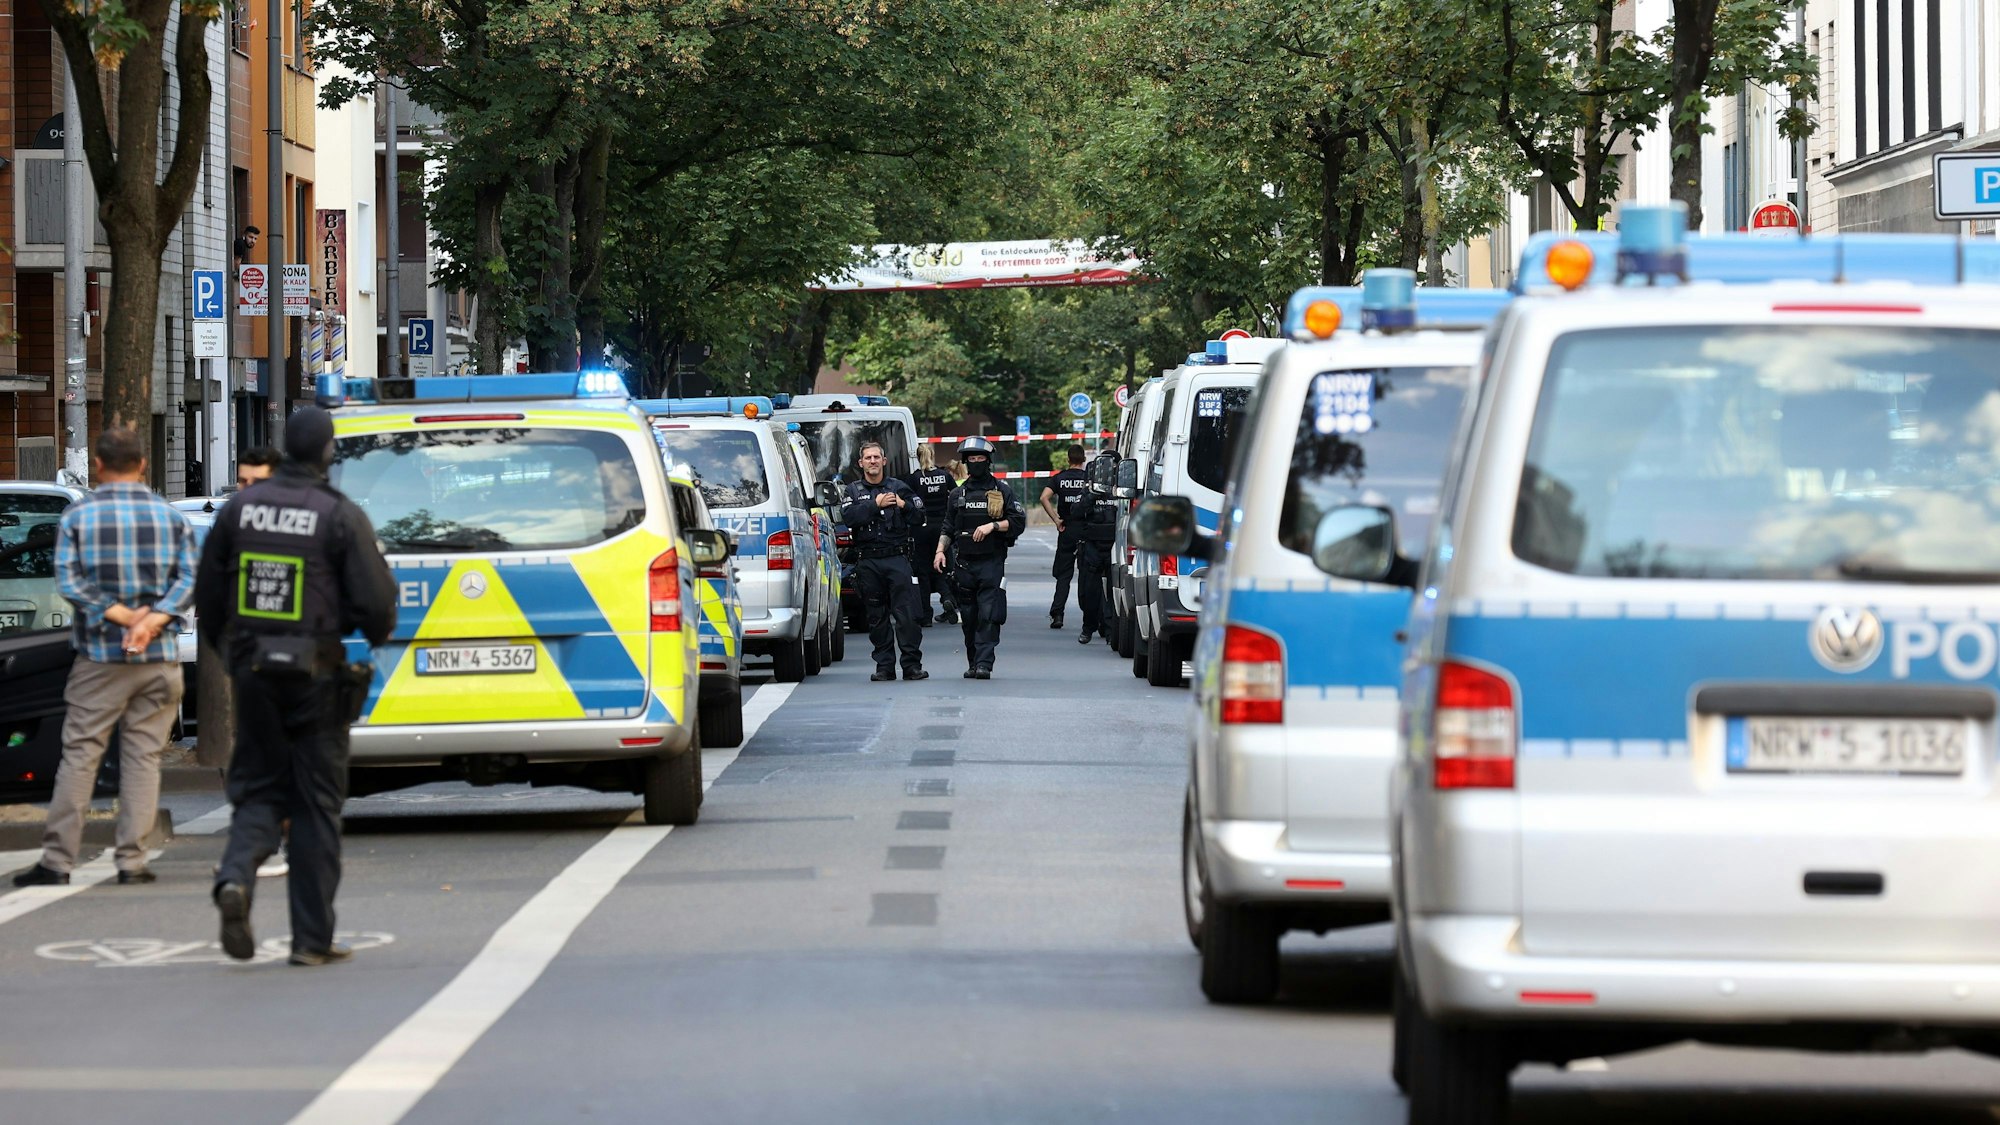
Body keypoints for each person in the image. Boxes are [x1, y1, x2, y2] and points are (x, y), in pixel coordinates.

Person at [196, 407, 396, 966]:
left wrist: (232, 653)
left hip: (254, 672)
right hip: (316, 677)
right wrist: (366, 631)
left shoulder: (240, 509)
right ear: (328, 452)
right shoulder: (338, 515)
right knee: (315, 804)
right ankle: (312, 941)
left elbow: (209, 594)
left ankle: (235, 877)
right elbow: (377, 604)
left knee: (259, 790)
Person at [12, 429, 198, 888]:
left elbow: (69, 582)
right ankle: (132, 861)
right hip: (157, 659)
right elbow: (191, 578)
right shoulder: (168, 515)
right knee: (142, 758)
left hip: (99, 658)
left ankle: (57, 862)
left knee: (80, 757)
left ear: (97, 465)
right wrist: (150, 622)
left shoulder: (79, 515)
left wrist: (120, 616)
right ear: (142, 465)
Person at [935, 437, 1025, 679]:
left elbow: (1018, 522)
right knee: (970, 618)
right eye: (971, 459)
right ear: (966, 462)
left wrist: (993, 526)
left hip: (991, 562)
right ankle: (973, 662)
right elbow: (947, 527)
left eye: (980, 459)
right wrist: (940, 551)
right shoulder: (957, 494)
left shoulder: (1002, 490)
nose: (975, 463)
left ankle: (985, 663)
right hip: (964, 564)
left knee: (988, 614)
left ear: (988, 461)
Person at [841, 441, 928, 682]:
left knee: (907, 616)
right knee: (877, 617)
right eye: (867, 458)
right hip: (868, 561)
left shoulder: (899, 487)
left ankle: (912, 666)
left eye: (876, 457)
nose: (872, 461)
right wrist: (875, 504)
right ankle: (884, 667)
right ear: (861, 463)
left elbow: (920, 516)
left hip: (897, 558)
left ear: (884, 461)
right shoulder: (853, 491)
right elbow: (848, 517)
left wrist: (902, 504)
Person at [1039, 443, 1092, 630]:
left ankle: (1058, 613)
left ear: (1068, 460)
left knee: (1064, 575)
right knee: (1087, 575)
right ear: (1084, 459)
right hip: (1086, 530)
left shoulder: (1059, 479)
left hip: (1066, 529)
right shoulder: (1088, 479)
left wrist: (1056, 519)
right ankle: (1091, 616)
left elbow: (1044, 497)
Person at [1073, 450, 1122, 645]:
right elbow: (1076, 512)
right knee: (1090, 592)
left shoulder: (1122, 489)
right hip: (1092, 545)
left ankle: (1111, 631)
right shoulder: (1090, 489)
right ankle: (1088, 628)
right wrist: (1092, 494)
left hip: (1114, 546)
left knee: (1114, 592)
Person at [910, 444, 958, 626]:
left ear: (917, 457)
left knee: (922, 571)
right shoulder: (944, 475)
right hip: (942, 527)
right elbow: (955, 493)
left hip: (921, 527)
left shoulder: (914, 478)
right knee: (941, 567)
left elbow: (908, 500)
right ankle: (947, 597)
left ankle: (926, 616)